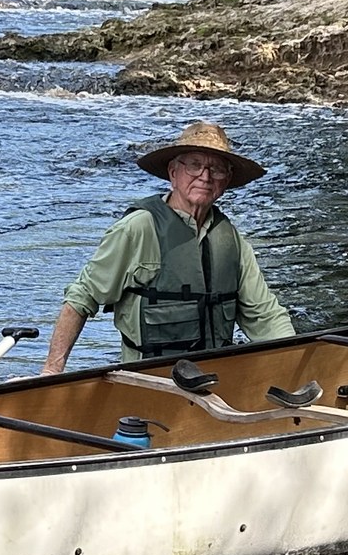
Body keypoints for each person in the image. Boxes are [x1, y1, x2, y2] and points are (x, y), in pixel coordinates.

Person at [40, 121, 295, 374]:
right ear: (173, 172)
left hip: (215, 381)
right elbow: (81, 298)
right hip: (148, 380)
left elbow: (266, 316)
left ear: (226, 180)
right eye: (194, 165)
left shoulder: (230, 240)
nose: (204, 177)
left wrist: (296, 361)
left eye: (216, 169)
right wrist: (52, 371)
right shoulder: (138, 227)